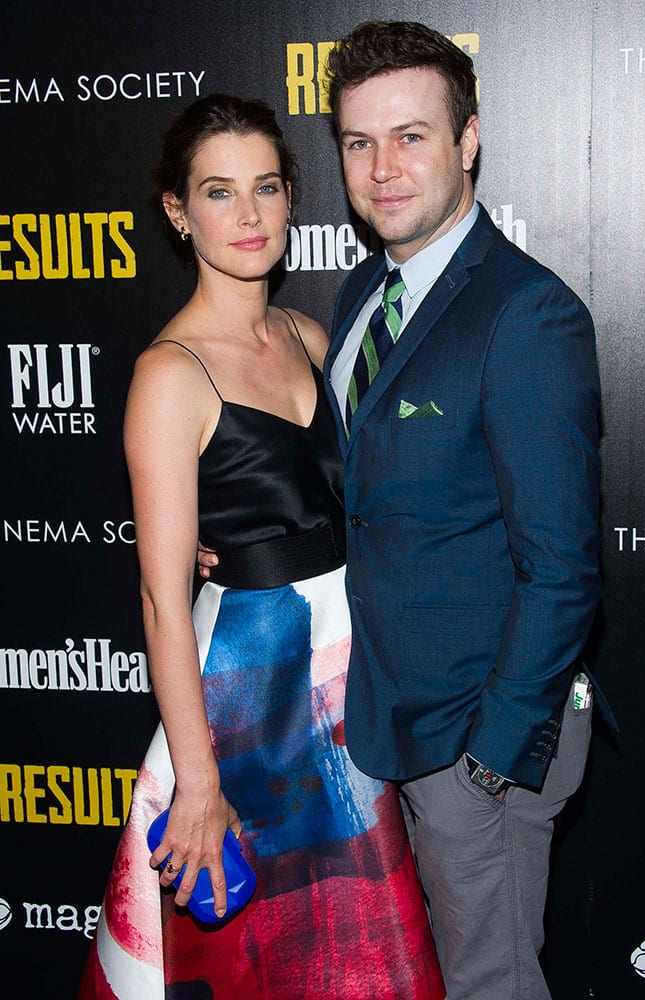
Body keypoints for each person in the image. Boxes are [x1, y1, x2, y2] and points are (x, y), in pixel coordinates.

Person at [199, 20, 612, 1000]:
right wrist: (254, 539)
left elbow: (562, 567)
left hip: (481, 736)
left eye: (411, 135)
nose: (382, 169)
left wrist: (489, 761)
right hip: (380, 720)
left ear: (468, 140)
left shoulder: (524, 315)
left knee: (488, 984)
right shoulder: (358, 299)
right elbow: (369, 493)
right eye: (357, 142)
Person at [78, 93, 444, 1000]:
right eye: (217, 192)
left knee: (354, 954)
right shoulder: (170, 375)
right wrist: (197, 784)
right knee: (263, 962)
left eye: (267, 188)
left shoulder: (310, 336)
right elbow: (164, 599)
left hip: (344, 689)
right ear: (177, 211)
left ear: (290, 199)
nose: (247, 216)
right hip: (247, 700)